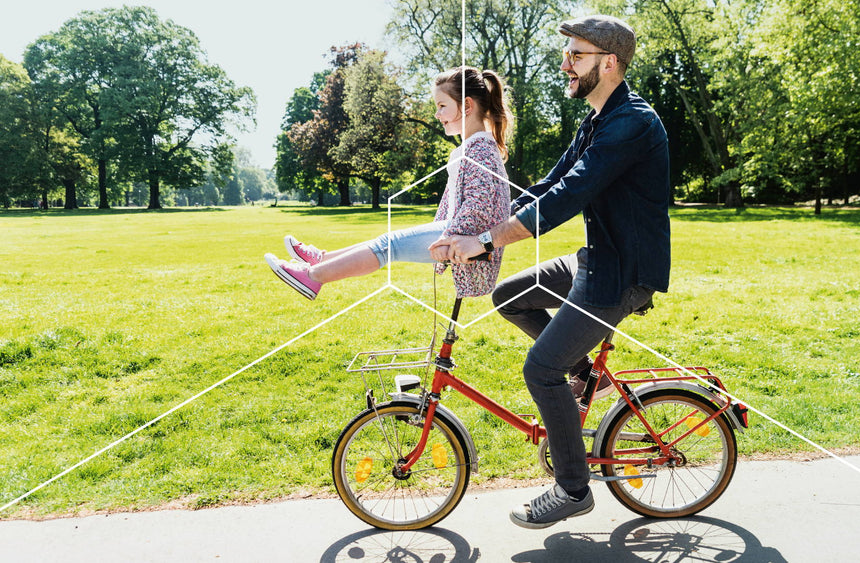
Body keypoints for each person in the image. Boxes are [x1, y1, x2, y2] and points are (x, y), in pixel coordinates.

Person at [430, 15, 671, 529]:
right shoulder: (597, 120)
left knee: (540, 368)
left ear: (609, 64)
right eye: (567, 54)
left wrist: (489, 239)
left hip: (621, 275)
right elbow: (547, 184)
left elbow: (568, 196)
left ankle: (573, 488)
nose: (565, 63)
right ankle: (584, 374)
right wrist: (477, 215)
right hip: (595, 259)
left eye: (576, 55)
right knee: (509, 296)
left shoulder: (631, 123)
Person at [265, 66, 513, 300]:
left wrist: (447, 239)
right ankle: (321, 260)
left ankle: (313, 277)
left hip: (464, 238)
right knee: (387, 241)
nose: (437, 114)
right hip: (457, 231)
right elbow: (455, 205)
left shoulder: (480, 149)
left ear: (467, 105)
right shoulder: (469, 148)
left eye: (442, 106)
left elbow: (479, 208)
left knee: (388, 245)